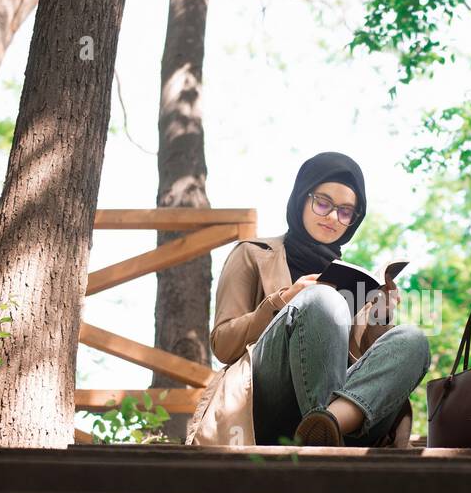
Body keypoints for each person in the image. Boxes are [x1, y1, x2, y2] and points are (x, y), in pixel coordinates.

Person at [184, 151, 431, 448]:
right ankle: (325, 431)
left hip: (347, 414)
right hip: (271, 406)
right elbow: (223, 345)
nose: (331, 217)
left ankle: (329, 424)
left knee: (414, 339)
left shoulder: (354, 280)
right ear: (302, 197)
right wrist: (282, 300)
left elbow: (366, 364)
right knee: (322, 299)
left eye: (345, 211)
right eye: (323, 203)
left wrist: (381, 314)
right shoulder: (252, 254)